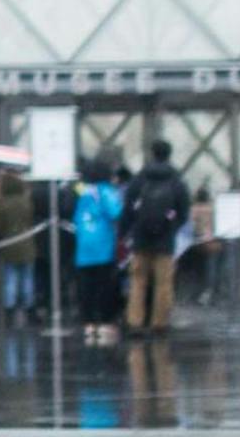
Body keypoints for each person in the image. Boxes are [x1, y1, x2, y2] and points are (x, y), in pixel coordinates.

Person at [124, 139, 189, 337]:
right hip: (165, 240)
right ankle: (159, 323)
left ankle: (135, 322)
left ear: (152, 153)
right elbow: (183, 211)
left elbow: (128, 207)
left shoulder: (140, 178)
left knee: (138, 281)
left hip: (141, 239)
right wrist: (171, 227)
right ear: (169, 154)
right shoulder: (176, 180)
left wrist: (134, 228)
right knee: (163, 283)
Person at [73, 162, 125, 346]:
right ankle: (104, 322)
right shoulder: (105, 191)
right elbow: (116, 212)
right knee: (104, 285)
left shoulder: (82, 190)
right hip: (102, 244)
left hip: (83, 245)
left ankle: (88, 324)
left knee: (86, 286)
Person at [0, 171, 35, 320]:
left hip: (9, 243)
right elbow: (30, 220)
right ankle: (29, 306)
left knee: (10, 277)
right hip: (26, 242)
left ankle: (9, 308)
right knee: (27, 276)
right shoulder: (26, 202)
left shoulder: (2, 203)